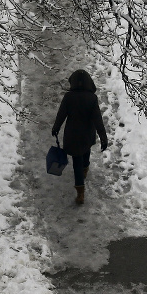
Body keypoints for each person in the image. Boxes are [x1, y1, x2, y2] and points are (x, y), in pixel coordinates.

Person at [51, 69, 108, 205]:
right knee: (86, 150)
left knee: (77, 160)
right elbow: (98, 120)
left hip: (72, 134)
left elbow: (61, 114)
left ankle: (80, 193)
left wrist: (56, 127)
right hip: (87, 134)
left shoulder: (69, 97)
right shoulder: (92, 98)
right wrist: (103, 137)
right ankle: (85, 168)